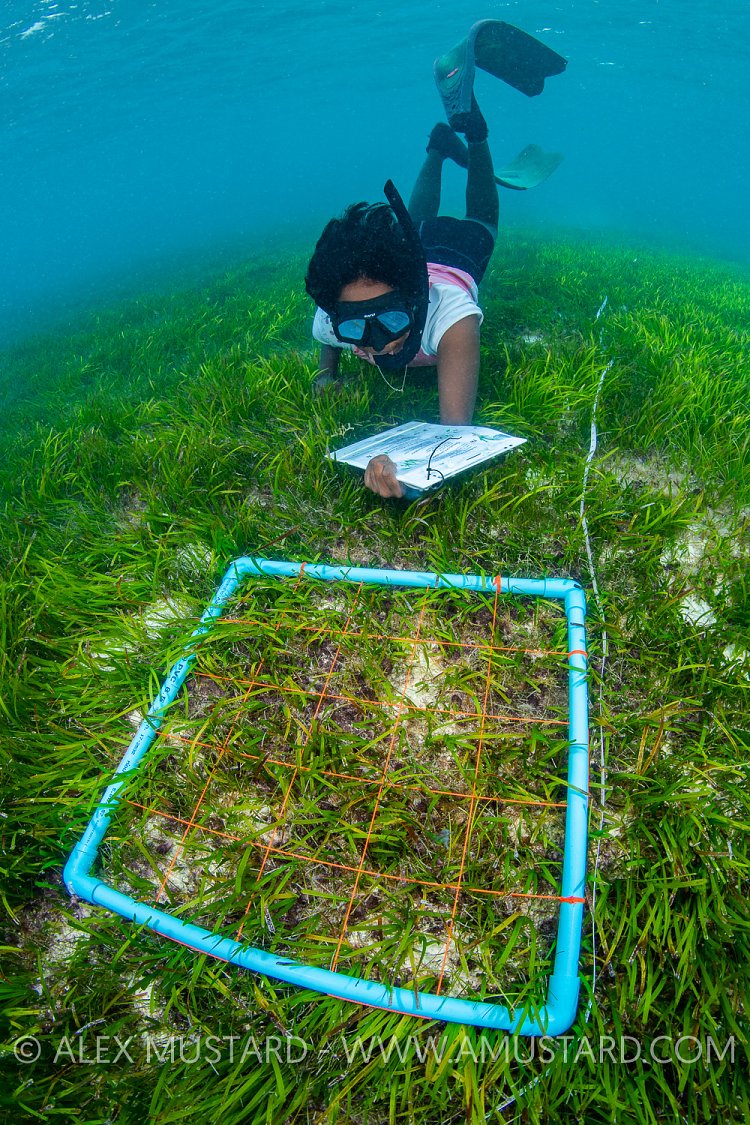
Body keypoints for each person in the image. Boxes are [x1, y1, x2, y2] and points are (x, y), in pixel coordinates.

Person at [304, 21, 566, 499]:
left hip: (457, 255)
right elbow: (329, 337)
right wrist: (328, 374)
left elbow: (455, 435)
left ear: (417, 302)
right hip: (413, 252)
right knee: (412, 225)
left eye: (391, 319)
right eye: (355, 330)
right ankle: (439, 146)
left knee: (482, 220)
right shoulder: (334, 319)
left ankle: (475, 136)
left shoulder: (453, 318)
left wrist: (405, 478)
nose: (376, 343)